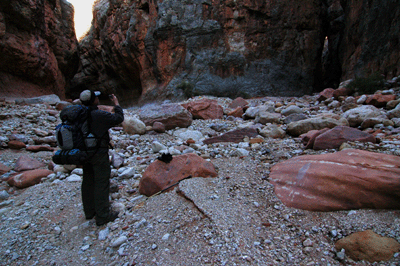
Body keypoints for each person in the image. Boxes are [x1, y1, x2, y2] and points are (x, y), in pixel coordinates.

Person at [79, 90, 124, 226]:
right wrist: (116, 103)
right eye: (96, 97)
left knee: (87, 180)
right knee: (101, 181)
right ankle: (102, 215)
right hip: (98, 153)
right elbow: (118, 118)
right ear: (94, 101)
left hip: (83, 153)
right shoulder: (98, 115)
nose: (98, 99)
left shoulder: (78, 115)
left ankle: (89, 212)